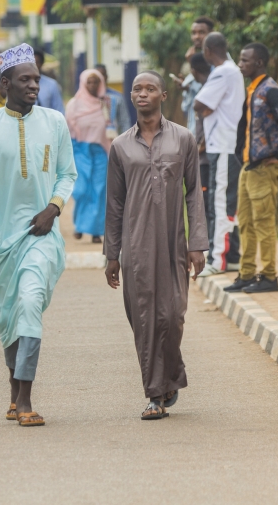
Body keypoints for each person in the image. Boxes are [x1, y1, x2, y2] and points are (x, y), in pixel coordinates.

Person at [0, 43, 77, 427]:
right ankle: (13, 390)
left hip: (41, 237)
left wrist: (53, 208)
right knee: (8, 317)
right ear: (5, 84)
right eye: (25, 80)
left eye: (37, 79)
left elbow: (67, 174)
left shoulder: (55, 122)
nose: (34, 85)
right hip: (2, 243)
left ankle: (25, 399)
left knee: (29, 301)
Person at [104, 71, 208, 420]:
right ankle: (154, 394)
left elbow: (194, 192)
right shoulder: (120, 146)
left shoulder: (183, 139)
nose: (142, 94)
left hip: (174, 241)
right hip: (135, 245)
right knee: (145, 317)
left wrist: (197, 244)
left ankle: (170, 376)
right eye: (137, 89)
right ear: (130, 96)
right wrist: (112, 254)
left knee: (173, 315)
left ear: (164, 95)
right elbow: (114, 203)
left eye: (150, 88)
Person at [225, 43, 278, 294]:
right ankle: (246, 274)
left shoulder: (270, 90)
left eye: (244, 60)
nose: (240, 64)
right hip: (250, 167)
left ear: (258, 63)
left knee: (263, 222)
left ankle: (269, 276)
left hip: (264, 168)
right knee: (245, 222)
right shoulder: (253, 89)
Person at [194, 32, 245, 276]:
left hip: (222, 146)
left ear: (207, 51)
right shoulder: (232, 70)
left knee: (220, 202)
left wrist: (204, 110)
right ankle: (231, 255)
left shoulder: (224, 71)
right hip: (222, 145)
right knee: (224, 201)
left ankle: (219, 260)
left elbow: (198, 103)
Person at [66, 69, 110, 243]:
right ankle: (79, 224)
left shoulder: (105, 103)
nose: (92, 86)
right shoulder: (74, 104)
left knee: (99, 190)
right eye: (89, 82)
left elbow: (112, 125)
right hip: (79, 149)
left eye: (96, 82)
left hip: (100, 150)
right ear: (83, 83)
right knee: (81, 189)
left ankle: (95, 231)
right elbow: (67, 129)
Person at [178, 17, 215, 136]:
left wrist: (193, 64)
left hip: (210, 136)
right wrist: (187, 87)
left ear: (211, 35)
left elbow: (210, 94)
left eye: (201, 32)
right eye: (194, 33)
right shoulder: (198, 58)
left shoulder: (218, 61)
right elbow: (187, 107)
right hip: (195, 132)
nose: (196, 37)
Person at [188, 53, 213, 227]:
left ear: (194, 71)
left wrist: (198, 149)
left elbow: (210, 125)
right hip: (204, 158)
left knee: (208, 204)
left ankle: (211, 244)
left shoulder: (209, 90)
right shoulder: (206, 88)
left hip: (207, 159)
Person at [94, 64, 131, 135]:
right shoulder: (88, 98)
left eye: (102, 75)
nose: (100, 79)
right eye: (97, 76)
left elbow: (124, 121)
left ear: (106, 77)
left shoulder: (117, 97)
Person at [34, 50, 65, 114]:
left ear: (41, 64)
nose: (33, 65)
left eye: (37, 62)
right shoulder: (20, 85)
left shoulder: (52, 84)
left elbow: (59, 109)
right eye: (31, 62)